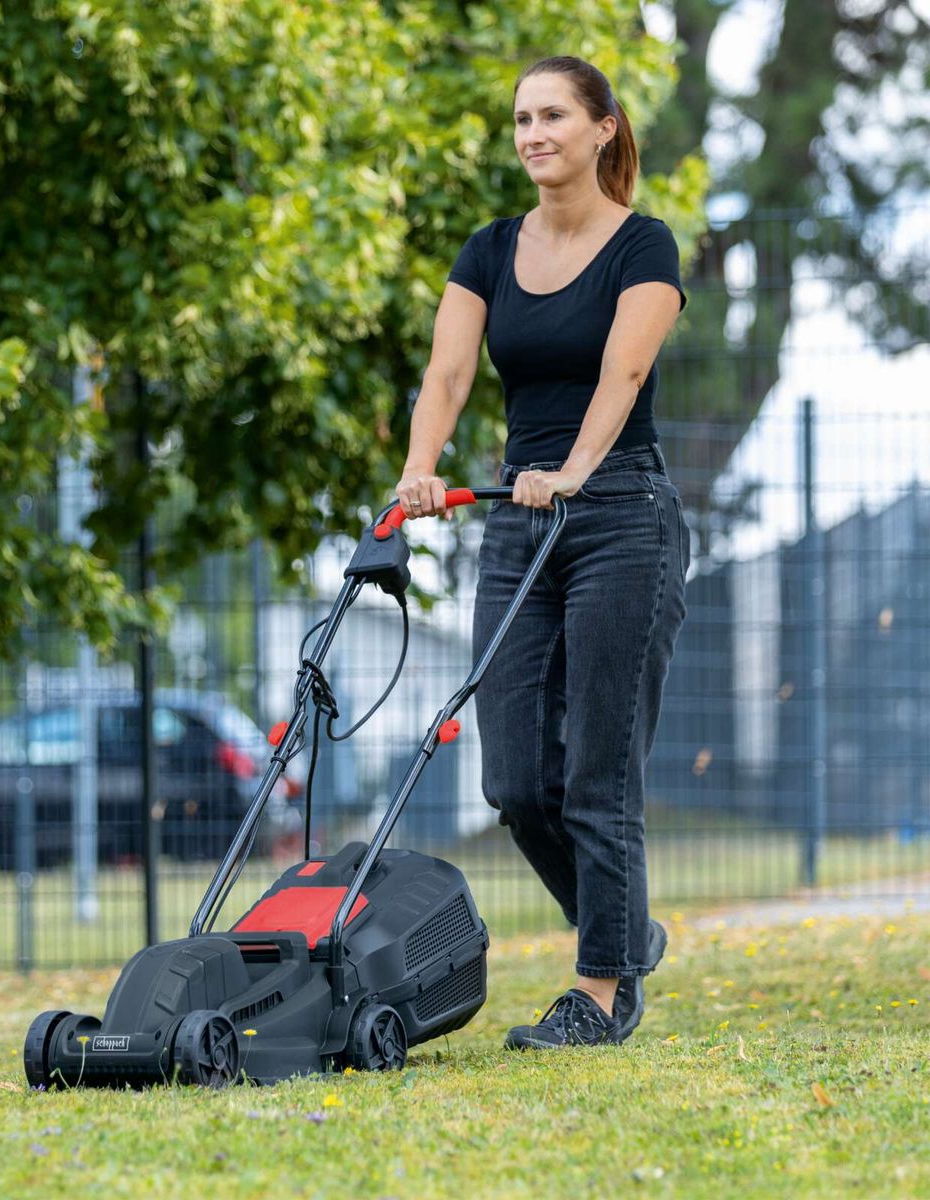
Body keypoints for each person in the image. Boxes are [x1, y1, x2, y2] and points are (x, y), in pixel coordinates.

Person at [394, 55, 690, 1049]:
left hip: (622, 515)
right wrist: (420, 469)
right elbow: (447, 374)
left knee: (599, 771)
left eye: (553, 115)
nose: (533, 135)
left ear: (603, 129)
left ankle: (601, 990)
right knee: (517, 781)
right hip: (522, 522)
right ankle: (624, 927)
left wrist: (573, 468)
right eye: (522, 119)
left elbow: (625, 371)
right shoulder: (489, 250)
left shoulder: (644, 245)